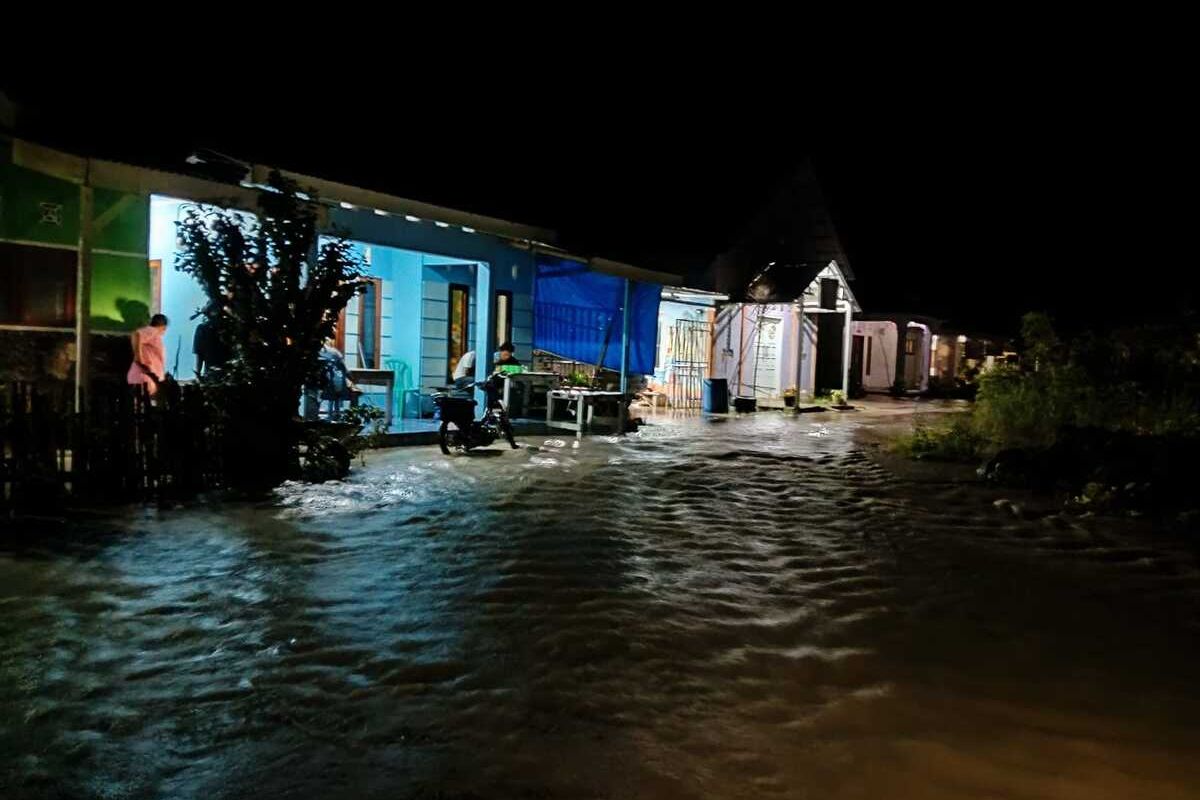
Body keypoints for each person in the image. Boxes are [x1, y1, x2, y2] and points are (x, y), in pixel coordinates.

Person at [127, 314, 169, 396]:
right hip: (144, 377)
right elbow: (137, 335)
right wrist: (139, 359)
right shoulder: (153, 331)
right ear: (163, 326)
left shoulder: (155, 336)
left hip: (149, 379)